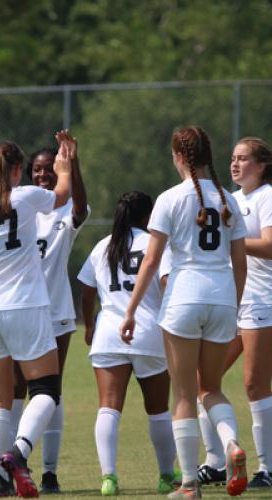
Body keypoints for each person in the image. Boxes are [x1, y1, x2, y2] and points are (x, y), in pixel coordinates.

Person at [120, 126, 248, 499]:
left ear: (178, 156)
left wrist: (130, 311)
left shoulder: (170, 198)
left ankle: (190, 484)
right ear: (209, 155)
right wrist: (235, 304)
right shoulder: (229, 199)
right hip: (222, 298)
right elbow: (239, 261)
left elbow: (151, 261)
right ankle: (232, 445)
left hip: (183, 299)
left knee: (183, 393)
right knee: (212, 389)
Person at [0, 137, 71, 498]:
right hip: (25, 305)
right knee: (47, 390)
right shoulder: (25, 197)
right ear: (19, 170)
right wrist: (64, 163)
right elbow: (63, 195)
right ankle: (18, 452)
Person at [78, 191, 180, 496]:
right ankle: (165, 476)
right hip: (148, 333)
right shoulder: (156, 244)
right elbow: (166, 284)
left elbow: (85, 290)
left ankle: (108, 478)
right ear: (149, 217)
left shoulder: (102, 246)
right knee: (158, 410)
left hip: (108, 333)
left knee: (108, 408)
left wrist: (90, 324)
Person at [11, 130, 89, 493]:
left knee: (50, 391)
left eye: (49, 170)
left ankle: (50, 472)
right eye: (37, 171)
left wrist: (73, 163)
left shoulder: (64, 212)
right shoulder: (23, 209)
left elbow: (80, 208)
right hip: (20, 307)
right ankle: (7, 464)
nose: (43, 175)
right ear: (29, 175)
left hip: (55, 311)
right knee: (13, 389)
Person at [197, 137, 272, 489]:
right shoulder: (231, 199)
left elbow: (270, 245)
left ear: (262, 165)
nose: (235, 164)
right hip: (234, 299)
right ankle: (214, 461)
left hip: (262, 302)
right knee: (203, 381)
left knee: (255, 385)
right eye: (233, 158)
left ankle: (267, 468)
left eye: (244, 159)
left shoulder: (266, 196)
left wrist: (233, 243)